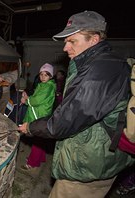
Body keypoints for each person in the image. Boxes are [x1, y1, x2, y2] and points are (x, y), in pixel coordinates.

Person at [18, 10, 135, 197]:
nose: (65, 48)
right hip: (90, 158)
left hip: (89, 167)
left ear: (94, 40)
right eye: (66, 41)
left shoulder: (100, 73)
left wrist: (31, 127)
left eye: (72, 41)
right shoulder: (93, 63)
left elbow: (66, 120)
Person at [20, 63, 56, 170]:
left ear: (51, 76)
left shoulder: (48, 87)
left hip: (39, 115)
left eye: (46, 74)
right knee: (40, 139)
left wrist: (26, 101)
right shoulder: (44, 85)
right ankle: (40, 158)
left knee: (37, 140)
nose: (43, 77)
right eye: (41, 74)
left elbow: (37, 100)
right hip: (40, 114)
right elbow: (36, 97)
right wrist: (28, 97)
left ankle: (32, 162)